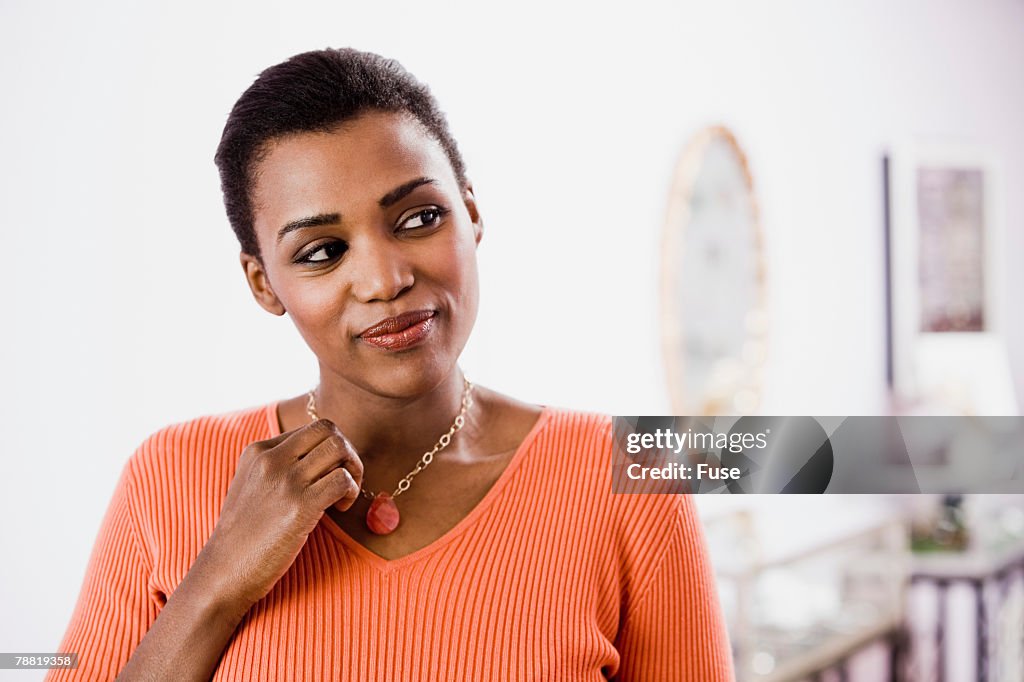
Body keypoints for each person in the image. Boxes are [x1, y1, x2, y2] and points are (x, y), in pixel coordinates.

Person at [48, 48, 734, 681]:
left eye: (417, 219)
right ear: (263, 285)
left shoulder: (632, 480)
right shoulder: (169, 478)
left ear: (470, 212)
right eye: (321, 252)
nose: (384, 279)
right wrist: (218, 582)